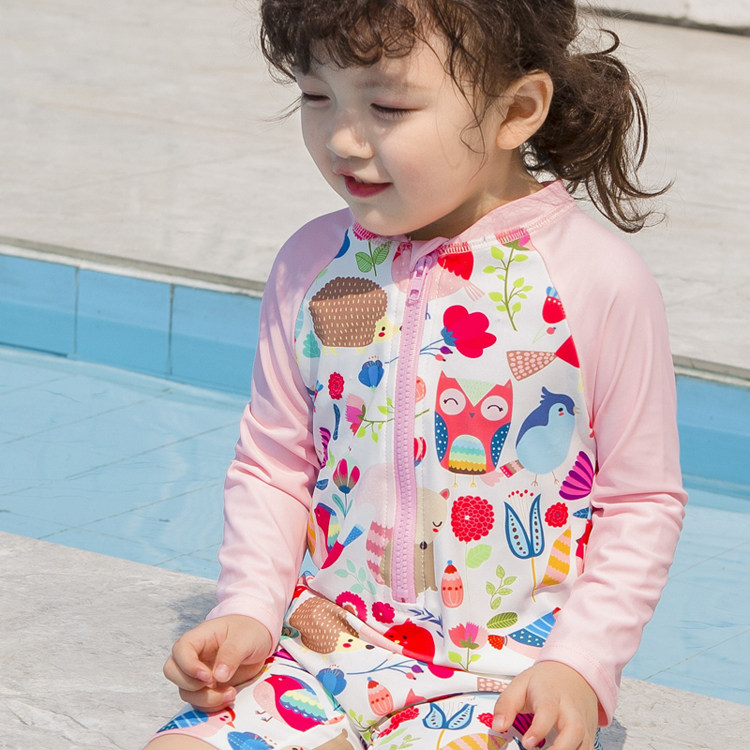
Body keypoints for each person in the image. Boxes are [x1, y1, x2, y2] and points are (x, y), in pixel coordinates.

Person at [145, 1, 686, 749]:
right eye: (316, 95)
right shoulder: (313, 267)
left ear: (515, 111)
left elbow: (641, 500)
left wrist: (579, 665)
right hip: (321, 650)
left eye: (389, 107)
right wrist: (248, 610)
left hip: (505, 678)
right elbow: (274, 463)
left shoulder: (595, 280)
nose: (341, 138)